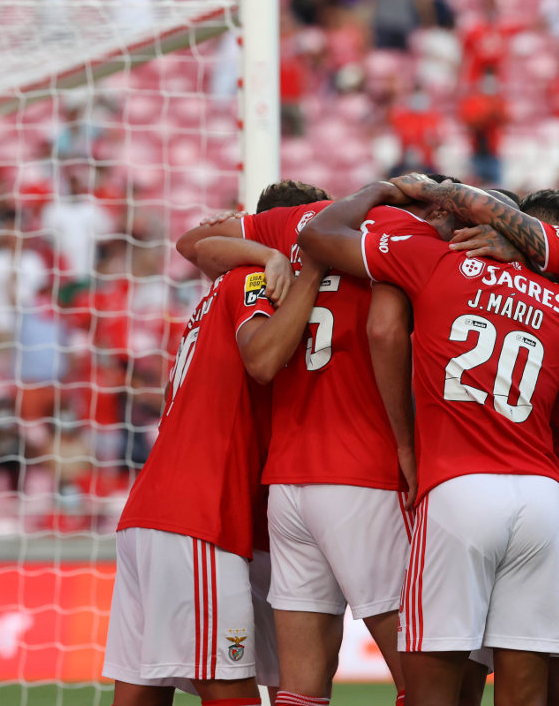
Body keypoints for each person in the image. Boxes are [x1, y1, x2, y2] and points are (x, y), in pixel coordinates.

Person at [297, 180, 559, 706]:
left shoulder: (436, 261)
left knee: (435, 684)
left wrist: (390, 191)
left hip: (458, 487)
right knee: (535, 689)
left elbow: (321, 236)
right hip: (542, 500)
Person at [177, 179, 414, 706]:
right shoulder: (381, 241)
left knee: (300, 688)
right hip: (362, 473)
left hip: (287, 487)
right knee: (424, 679)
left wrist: (267, 252)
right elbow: (385, 332)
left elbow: (193, 243)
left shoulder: (280, 244)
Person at [101, 227, 327, 706]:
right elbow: (262, 360)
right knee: (229, 689)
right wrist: (311, 273)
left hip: (150, 512)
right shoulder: (249, 280)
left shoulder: (211, 299)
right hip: (198, 516)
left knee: (140, 693)